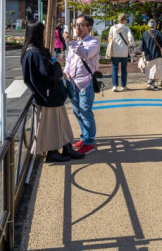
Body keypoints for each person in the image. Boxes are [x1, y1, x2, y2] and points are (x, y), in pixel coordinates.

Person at [20, 21, 84, 163]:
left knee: (60, 123)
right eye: (43, 31)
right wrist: (56, 65)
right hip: (48, 95)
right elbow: (47, 74)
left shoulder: (29, 51)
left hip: (45, 94)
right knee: (53, 125)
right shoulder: (36, 53)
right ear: (38, 33)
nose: (45, 33)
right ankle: (53, 152)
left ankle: (65, 147)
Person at [65, 15, 101, 155]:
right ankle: (84, 136)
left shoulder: (93, 43)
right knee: (76, 111)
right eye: (76, 25)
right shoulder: (75, 42)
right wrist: (66, 71)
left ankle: (89, 142)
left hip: (86, 82)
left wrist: (71, 42)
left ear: (89, 27)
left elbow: (85, 54)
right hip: (73, 82)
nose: (77, 28)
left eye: (81, 25)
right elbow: (69, 60)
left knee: (85, 111)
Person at [107, 13, 135, 92]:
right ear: (123, 20)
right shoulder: (126, 29)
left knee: (114, 69)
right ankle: (123, 86)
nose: (126, 21)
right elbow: (130, 38)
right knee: (124, 69)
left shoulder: (112, 28)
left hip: (115, 52)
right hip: (124, 52)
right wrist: (132, 45)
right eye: (126, 20)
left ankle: (114, 86)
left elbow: (109, 38)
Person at [140, 19, 162, 90]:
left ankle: (149, 83)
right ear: (155, 25)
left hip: (148, 55)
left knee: (149, 69)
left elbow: (143, 46)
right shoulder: (159, 33)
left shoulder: (145, 34)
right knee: (157, 70)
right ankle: (155, 85)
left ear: (148, 25)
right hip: (157, 54)